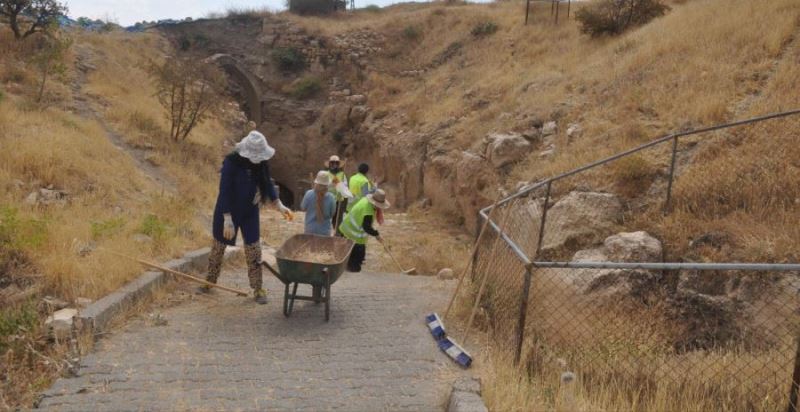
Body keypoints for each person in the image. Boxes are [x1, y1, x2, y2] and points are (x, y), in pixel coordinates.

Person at [201, 131, 291, 304]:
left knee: (254, 249)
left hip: (249, 210)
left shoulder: (262, 163)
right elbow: (225, 190)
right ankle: (209, 282)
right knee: (218, 247)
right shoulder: (231, 163)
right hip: (228, 211)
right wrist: (227, 218)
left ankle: (258, 288)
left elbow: (267, 182)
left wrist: (278, 204)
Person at [339, 189, 390, 272]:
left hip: (346, 230)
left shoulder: (365, 200)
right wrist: (376, 234)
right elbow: (367, 227)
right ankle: (352, 274)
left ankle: (348, 270)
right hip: (354, 236)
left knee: (349, 257)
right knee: (356, 261)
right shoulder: (368, 211)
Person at [301, 171, 336, 236]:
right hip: (325, 232)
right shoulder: (331, 197)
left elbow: (303, 208)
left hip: (309, 230)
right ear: (327, 184)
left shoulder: (309, 194)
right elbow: (332, 214)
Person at [326, 155, 348, 230]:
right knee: (328, 218)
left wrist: (340, 184)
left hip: (339, 200)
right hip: (328, 200)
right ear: (329, 164)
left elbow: (345, 186)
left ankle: (337, 232)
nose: (334, 165)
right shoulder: (325, 174)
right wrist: (331, 183)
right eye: (332, 163)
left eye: (336, 163)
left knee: (338, 219)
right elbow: (324, 186)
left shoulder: (342, 175)